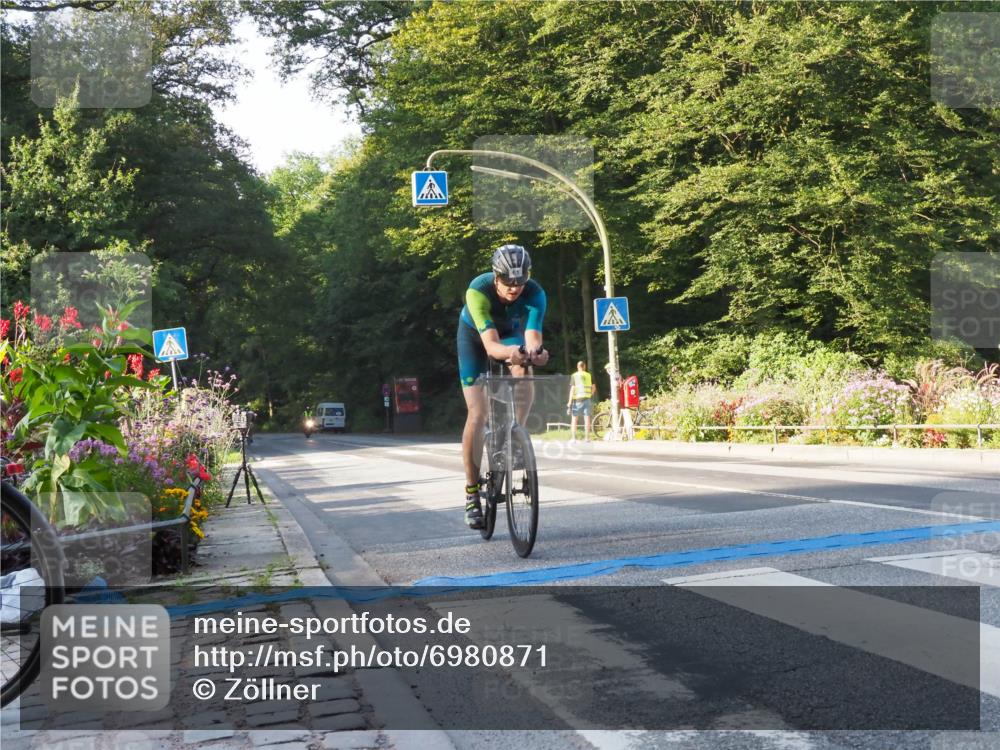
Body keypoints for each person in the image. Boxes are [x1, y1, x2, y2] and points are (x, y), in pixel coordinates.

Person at [457, 244, 549, 529]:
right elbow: (492, 346)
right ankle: (472, 494)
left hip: (510, 334)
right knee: (477, 413)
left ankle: (516, 435)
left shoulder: (535, 293)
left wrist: (535, 352)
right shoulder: (478, 290)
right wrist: (511, 353)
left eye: (519, 283)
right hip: (476, 338)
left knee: (525, 365)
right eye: (508, 283)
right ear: (496, 277)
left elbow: (533, 335)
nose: (514, 289)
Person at [566, 360, 597, 442]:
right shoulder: (589, 375)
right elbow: (594, 387)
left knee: (574, 419)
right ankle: (587, 438)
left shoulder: (574, 375)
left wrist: (569, 402)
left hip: (577, 400)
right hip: (587, 399)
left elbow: (572, 389)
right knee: (587, 419)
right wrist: (590, 394)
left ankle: (573, 438)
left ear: (577, 367)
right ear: (584, 366)